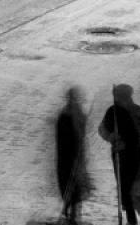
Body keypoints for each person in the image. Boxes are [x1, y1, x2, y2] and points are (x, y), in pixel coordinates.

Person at [98, 83, 140, 225]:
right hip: (120, 157)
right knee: (125, 191)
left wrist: (127, 140)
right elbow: (102, 129)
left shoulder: (138, 111)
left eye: (122, 96)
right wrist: (111, 137)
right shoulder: (112, 112)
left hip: (137, 156)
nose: (120, 99)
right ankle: (131, 220)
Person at [55, 86, 92, 225]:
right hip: (68, 157)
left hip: (76, 157)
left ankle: (73, 215)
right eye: (75, 97)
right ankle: (70, 213)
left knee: (76, 188)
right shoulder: (65, 115)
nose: (77, 100)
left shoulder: (76, 114)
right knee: (69, 185)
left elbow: (81, 135)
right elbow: (65, 139)